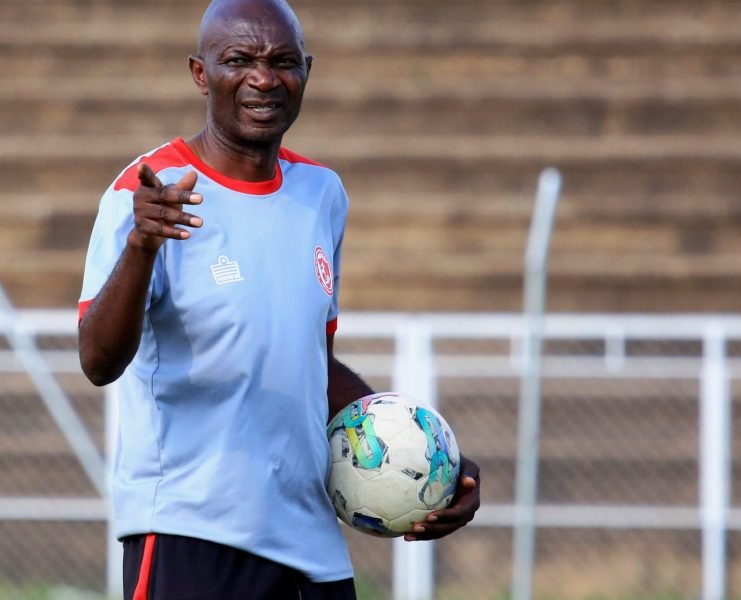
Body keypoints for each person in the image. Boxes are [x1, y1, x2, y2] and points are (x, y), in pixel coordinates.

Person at [77, 1, 481, 597]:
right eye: (238, 60)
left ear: (307, 72)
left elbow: (309, 364)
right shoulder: (147, 192)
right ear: (199, 72)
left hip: (310, 550)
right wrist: (141, 245)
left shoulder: (321, 193)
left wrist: (429, 457)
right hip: (192, 534)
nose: (263, 78)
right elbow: (97, 361)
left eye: (282, 61)